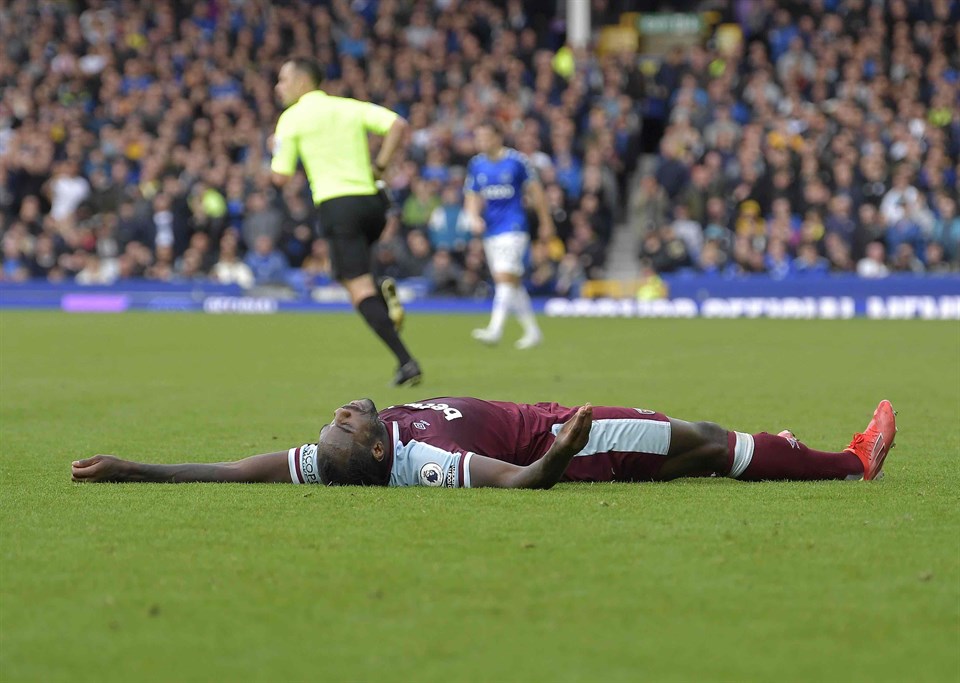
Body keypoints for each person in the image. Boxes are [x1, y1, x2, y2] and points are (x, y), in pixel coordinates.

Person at [71, 397, 897, 490]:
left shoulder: (340, 461)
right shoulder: (424, 461)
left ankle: (784, 450)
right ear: (378, 452)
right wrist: (566, 445)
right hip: (564, 437)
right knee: (710, 442)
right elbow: (518, 482)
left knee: (702, 451)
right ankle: (850, 460)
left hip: (555, 422)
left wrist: (134, 468)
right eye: (347, 424)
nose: (345, 412)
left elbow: (238, 469)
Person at [271, 58, 422, 386]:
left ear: (302, 82)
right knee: (354, 272)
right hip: (373, 202)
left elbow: (280, 176)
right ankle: (380, 288)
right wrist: (380, 166)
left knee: (356, 287)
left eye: (283, 80)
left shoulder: (292, 118)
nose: (278, 87)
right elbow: (398, 125)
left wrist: (275, 151)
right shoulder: (348, 106)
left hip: (338, 205)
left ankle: (406, 361)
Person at [464, 121, 555, 350]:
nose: (481, 142)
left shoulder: (517, 161)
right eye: (478, 138)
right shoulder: (476, 164)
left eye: (485, 137)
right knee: (512, 281)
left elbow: (536, 192)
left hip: (514, 227)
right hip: (491, 229)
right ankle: (533, 331)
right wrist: (473, 217)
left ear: (498, 137)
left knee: (504, 277)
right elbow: (471, 195)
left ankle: (495, 330)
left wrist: (545, 222)